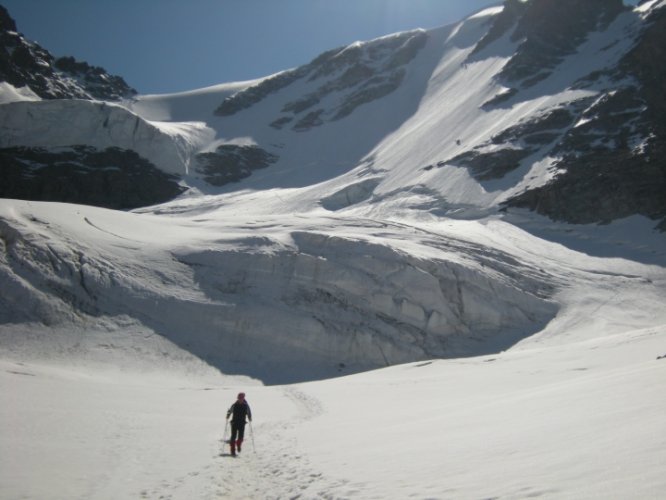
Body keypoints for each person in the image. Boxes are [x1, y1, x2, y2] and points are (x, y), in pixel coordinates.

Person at [226, 392, 252, 456]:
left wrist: (249, 417)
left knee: (241, 436)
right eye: (239, 398)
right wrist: (228, 415)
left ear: (243, 398)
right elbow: (230, 411)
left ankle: (238, 444)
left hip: (242, 423)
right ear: (238, 398)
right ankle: (232, 450)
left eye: (241, 398)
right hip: (234, 422)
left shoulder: (245, 406)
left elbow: (249, 412)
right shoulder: (234, 405)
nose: (240, 399)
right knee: (233, 436)